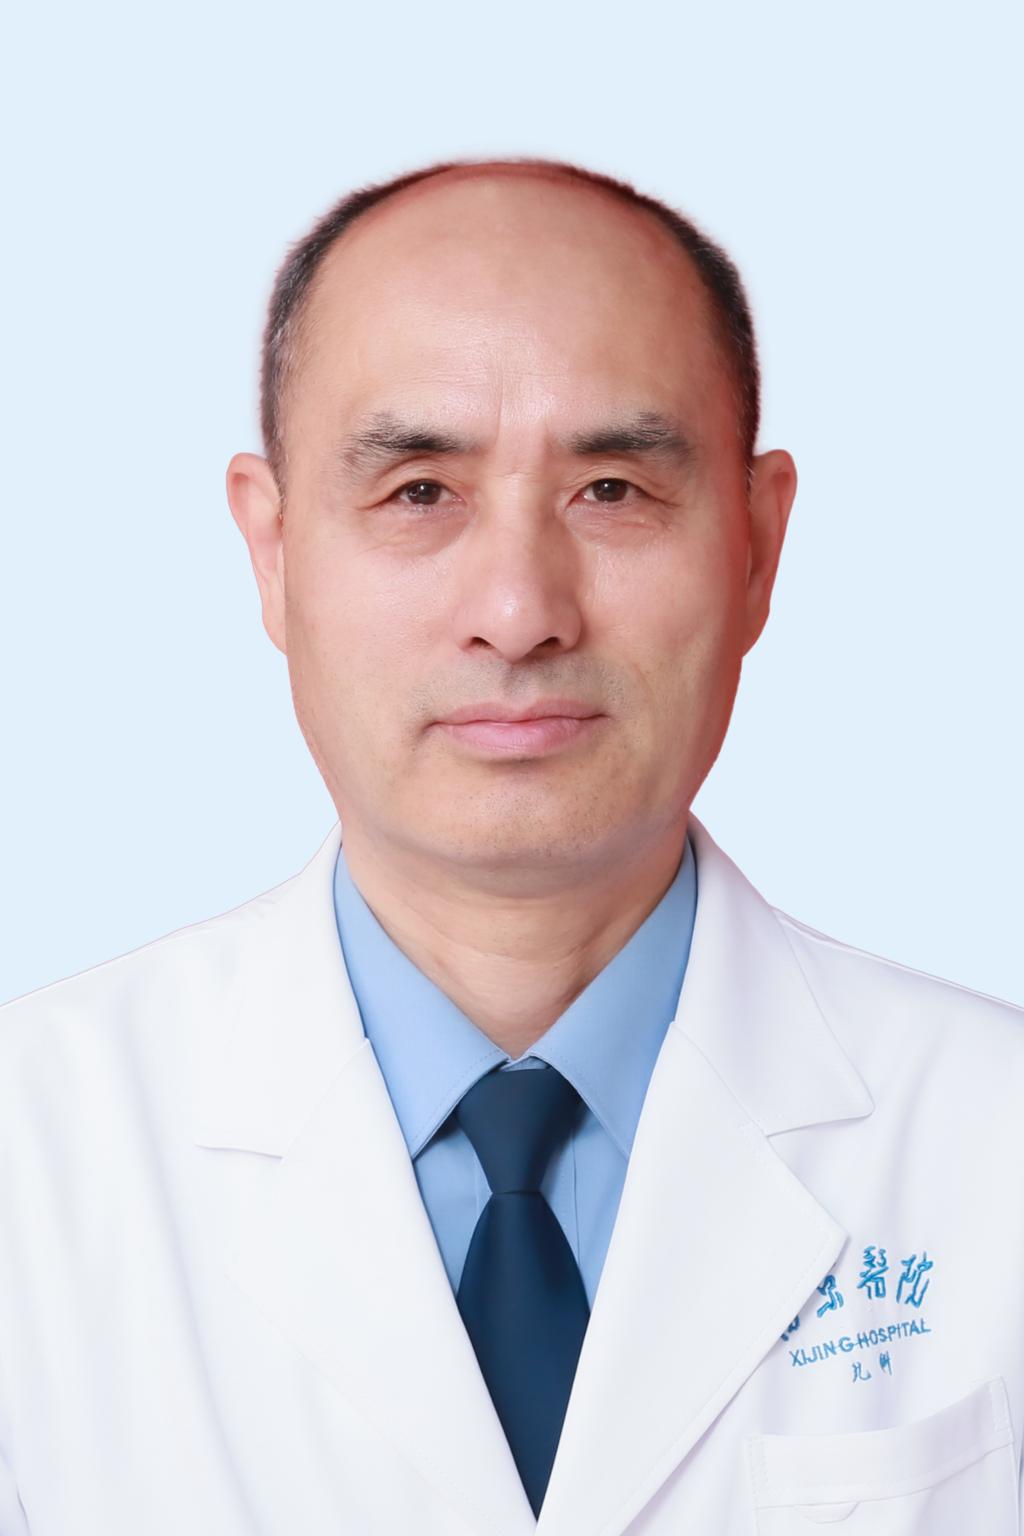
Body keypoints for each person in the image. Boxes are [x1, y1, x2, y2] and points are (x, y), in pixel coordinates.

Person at [0, 154, 1021, 1536]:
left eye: (613, 488)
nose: (521, 610)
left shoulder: (994, 1146)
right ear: (274, 551)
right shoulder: (31, 1158)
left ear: (758, 547)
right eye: (421, 490)